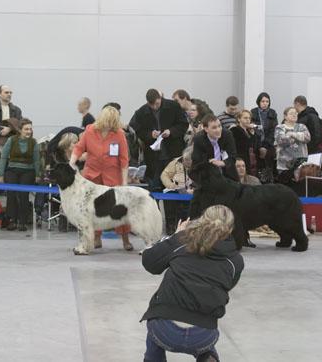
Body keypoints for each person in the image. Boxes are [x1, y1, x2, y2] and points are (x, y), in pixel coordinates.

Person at [141, 205, 244, 362]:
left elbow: (149, 262)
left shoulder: (182, 240)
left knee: (155, 322)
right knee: (204, 323)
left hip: (165, 330)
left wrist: (175, 235)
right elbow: (227, 286)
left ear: (201, 220)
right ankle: (208, 356)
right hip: (203, 335)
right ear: (230, 229)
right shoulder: (235, 260)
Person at [70, 106, 133, 251]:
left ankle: (125, 239)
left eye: (113, 122)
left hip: (113, 177)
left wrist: (124, 183)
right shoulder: (90, 130)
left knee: (120, 209)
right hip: (91, 176)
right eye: (108, 122)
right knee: (92, 210)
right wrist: (71, 163)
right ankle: (96, 239)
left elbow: (124, 160)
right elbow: (79, 148)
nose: (110, 125)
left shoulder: (119, 134)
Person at [129, 89, 188, 190]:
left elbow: (183, 124)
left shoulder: (173, 106)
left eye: (157, 103)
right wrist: (150, 134)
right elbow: (137, 130)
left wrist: (171, 131)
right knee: (155, 187)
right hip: (153, 158)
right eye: (151, 105)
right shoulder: (141, 112)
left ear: (160, 98)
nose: (155, 107)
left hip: (173, 154)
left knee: (176, 187)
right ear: (147, 102)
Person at [0, 118, 40, 232]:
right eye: (26, 129)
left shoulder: (34, 142)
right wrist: (0, 174)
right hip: (12, 170)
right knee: (11, 193)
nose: (29, 131)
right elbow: (3, 157)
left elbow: (37, 160)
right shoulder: (11, 140)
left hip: (28, 171)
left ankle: (22, 221)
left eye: (30, 129)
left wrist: (38, 175)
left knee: (23, 194)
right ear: (20, 130)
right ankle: (12, 220)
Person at [192, 115, 238, 181]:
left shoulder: (227, 134)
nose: (218, 130)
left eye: (219, 126)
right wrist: (210, 162)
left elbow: (233, 156)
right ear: (206, 129)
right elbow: (196, 160)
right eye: (214, 128)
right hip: (208, 175)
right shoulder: (199, 139)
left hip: (228, 174)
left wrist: (222, 163)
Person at [160, 148, 193, 235]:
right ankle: (170, 226)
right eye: (185, 159)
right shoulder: (175, 162)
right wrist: (171, 185)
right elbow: (164, 175)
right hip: (176, 188)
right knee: (169, 198)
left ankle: (185, 225)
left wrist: (194, 189)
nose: (186, 162)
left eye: (188, 160)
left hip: (191, 190)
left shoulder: (199, 164)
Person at [275, 107, 311, 179]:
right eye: (291, 113)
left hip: (301, 164)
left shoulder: (302, 126)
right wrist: (299, 136)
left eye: (295, 113)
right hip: (285, 165)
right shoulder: (280, 127)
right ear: (285, 116)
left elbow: (307, 138)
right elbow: (282, 141)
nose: (294, 115)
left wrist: (292, 134)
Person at [251, 92, 278, 182]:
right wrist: (259, 146)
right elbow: (252, 129)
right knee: (257, 166)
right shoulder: (253, 112)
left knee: (268, 167)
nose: (265, 103)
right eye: (263, 101)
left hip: (268, 145)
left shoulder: (272, 113)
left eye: (267, 101)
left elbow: (273, 130)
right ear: (259, 102)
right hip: (256, 143)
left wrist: (265, 146)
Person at [230, 110, 259, 176]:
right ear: (239, 119)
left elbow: (254, 146)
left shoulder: (249, 131)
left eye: (249, 118)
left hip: (250, 160)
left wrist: (252, 134)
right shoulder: (234, 130)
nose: (248, 120)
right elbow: (244, 144)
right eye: (245, 118)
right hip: (239, 160)